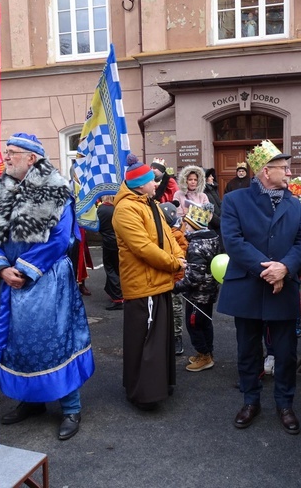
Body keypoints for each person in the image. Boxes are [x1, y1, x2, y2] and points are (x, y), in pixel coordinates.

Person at [0, 133, 95, 440]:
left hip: (48, 281)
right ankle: (32, 401)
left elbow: (60, 239)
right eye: (7, 152)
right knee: (19, 344)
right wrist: (2, 267)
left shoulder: (55, 188)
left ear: (32, 158)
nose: (6, 157)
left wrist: (25, 268)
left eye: (13, 153)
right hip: (11, 282)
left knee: (55, 342)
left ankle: (71, 406)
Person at [218, 139, 301, 435]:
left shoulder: (293, 203)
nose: (288, 173)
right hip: (248, 286)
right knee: (247, 350)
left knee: (285, 351)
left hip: (283, 285)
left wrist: (285, 267)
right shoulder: (235, 200)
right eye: (283, 168)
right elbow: (233, 242)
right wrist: (269, 270)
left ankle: (285, 403)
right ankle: (250, 400)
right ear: (265, 172)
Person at [112, 154, 186, 410]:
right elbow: (143, 248)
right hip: (143, 287)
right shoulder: (125, 209)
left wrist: (178, 255)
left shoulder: (148, 202)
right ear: (140, 184)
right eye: (153, 180)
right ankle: (143, 393)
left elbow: (168, 235)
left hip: (158, 282)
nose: (157, 184)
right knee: (145, 341)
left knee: (157, 340)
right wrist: (174, 263)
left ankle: (159, 386)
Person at [173, 203, 220, 372]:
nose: (184, 226)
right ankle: (208, 352)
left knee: (193, 323)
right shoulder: (212, 238)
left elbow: (194, 276)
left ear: (194, 225)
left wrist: (177, 287)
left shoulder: (196, 246)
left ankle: (204, 355)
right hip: (209, 290)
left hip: (198, 294)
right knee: (205, 322)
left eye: (186, 223)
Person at [159, 201, 188, 356]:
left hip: (175, 279)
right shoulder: (159, 232)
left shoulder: (177, 235)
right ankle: (165, 335)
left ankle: (177, 337)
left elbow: (182, 254)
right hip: (162, 278)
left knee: (176, 309)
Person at [97, 196, 123, 310]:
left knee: (110, 269)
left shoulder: (101, 209)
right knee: (118, 268)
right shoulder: (118, 208)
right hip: (119, 242)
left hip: (107, 242)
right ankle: (113, 292)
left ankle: (118, 297)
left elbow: (97, 226)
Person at [203, 168, 223, 247]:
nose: (212, 178)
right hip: (213, 224)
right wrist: (218, 221)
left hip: (219, 222)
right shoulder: (204, 191)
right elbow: (208, 209)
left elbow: (219, 204)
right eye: (210, 176)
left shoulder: (213, 188)